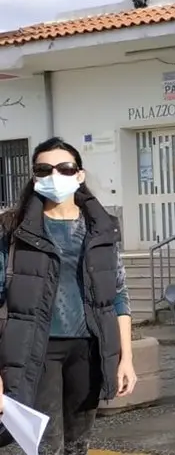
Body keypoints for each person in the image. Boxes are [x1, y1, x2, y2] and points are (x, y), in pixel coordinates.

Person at [0, 137, 138, 454]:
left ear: (79, 175)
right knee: (46, 447)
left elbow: (118, 296)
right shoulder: (13, 229)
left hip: (89, 349)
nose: (54, 176)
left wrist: (126, 359)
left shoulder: (102, 229)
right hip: (36, 350)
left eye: (64, 168)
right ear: (34, 177)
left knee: (78, 445)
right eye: (43, 169)